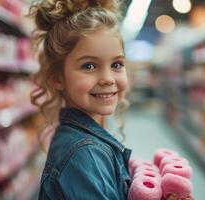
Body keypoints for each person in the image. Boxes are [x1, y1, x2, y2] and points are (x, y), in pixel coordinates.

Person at [28, 0, 131, 199]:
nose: (108, 79)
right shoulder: (85, 155)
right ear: (58, 78)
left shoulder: (82, 140)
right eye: (89, 66)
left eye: (117, 64)